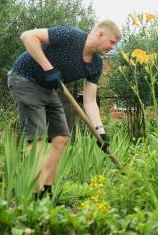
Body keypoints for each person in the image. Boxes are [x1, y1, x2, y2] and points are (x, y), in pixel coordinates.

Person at [8, 20, 121, 198]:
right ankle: (33, 194)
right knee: (37, 137)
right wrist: (48, 68)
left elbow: (90, 101)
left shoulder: (96, 65)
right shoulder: (70, 35)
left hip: (47, 88)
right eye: (112, 42)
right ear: (100, 34)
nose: (112, 47)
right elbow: (27, 36)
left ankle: (46, 191)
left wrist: (100, 131)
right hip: (25, 78)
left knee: (61, 137)